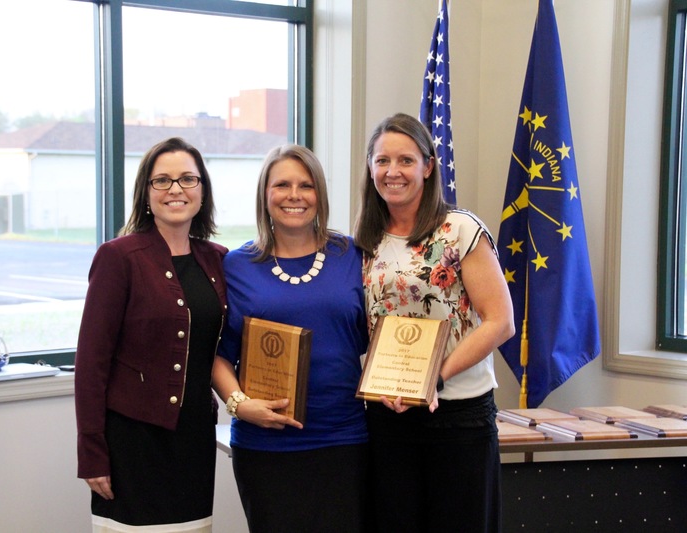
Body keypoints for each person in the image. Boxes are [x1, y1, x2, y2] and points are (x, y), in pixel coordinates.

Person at [354, 113, 515, 533]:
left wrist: (434, 378)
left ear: (428, 166)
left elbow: (500, 322)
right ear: (370, 167)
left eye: (406, 160)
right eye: (382, 160)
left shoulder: (460, 230)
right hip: (387, 415)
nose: (393, 171)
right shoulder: (364, 240)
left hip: (458, 417)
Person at [212, 144, 370, 533]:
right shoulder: (236, 265)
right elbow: (217, 355)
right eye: (282, 184)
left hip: (344, 441)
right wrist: (239, 404)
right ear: (265, 195)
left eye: (306, 185)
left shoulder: (353, 255)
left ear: (320, 195)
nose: (294, 195)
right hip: (265, 447)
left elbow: (376, 336)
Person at [74, 137, 227, 533]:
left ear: (202, 191)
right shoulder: (118, 258)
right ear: (146, 193)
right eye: (162, 180)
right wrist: (92, 453)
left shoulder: (219, 260)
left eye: (187, 179)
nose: (175, 189)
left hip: (194, 442)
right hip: (132, 446)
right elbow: (91, 365)